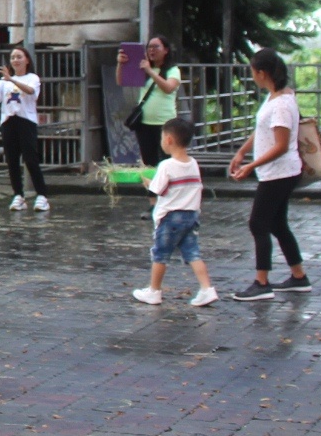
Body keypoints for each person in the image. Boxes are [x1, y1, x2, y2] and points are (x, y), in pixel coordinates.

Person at [226, 48, 309, 301]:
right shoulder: (275, 97)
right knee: (277, 223)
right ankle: (298, 276)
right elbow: (261, 129)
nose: (252, 77)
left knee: (258, 223)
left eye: (253, 72)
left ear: (262, 73)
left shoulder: (283, 104)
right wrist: (242, 153)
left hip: (280, 173)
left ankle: (262, 282)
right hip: (275, 172)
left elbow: (281, 145)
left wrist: (251, 166)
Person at [132, 117, 218, 307]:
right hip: (191, 215)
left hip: (171, 217)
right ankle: (207, 289)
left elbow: (156, 190)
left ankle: (154, 291)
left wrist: (146, 181)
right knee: (193, 252)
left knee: (160, 254)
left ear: (169, 139)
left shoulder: (166, 166)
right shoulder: (193, 163)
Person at [0, 47, 50, 212]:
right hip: (8, 121)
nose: (15, 60)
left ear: (27, 60)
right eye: (12, 57)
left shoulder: (32, 78)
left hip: (26, 120)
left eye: (19, 57)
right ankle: (18, 195)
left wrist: (11, 80)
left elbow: (31, 91)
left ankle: (41, 195)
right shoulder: (3, 81)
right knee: (12, 160)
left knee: (30, 158)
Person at [118, 35, 183, 166]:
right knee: (149, 161)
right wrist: (120, 64)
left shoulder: (172, 70)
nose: (152, 50)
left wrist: (150, 71)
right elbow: (121, 81)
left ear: (166, 50)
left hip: (165, 123)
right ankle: (152, 186)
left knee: (167, 160)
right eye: (149, 47)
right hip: (144, 123)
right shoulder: (144, 68)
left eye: (156, 47)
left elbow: (168, 88)